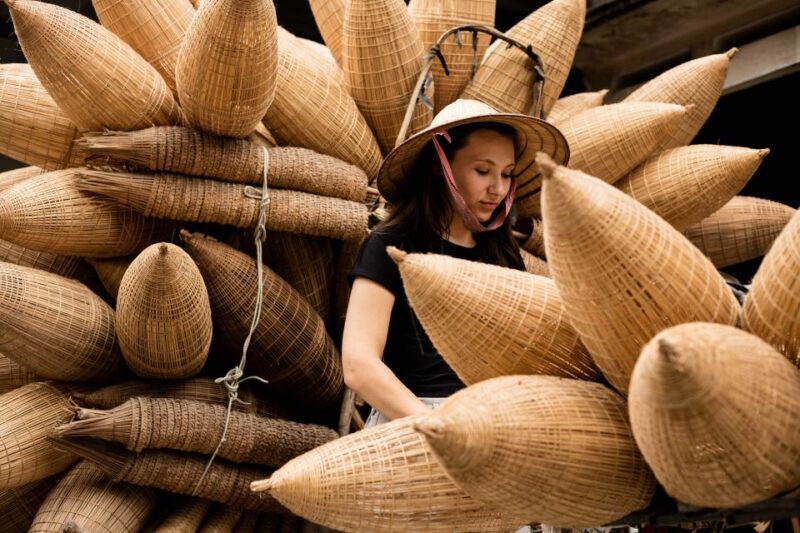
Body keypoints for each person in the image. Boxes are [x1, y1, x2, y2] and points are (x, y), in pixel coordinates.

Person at [342, 98, 569, 426]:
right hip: (412, 422)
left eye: (507, 175)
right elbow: (358, 365)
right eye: (483, 171)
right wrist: (439, 426)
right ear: (440, 164)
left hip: (492, 420)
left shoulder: (502, 256)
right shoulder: (389, 246)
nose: (497, 188)